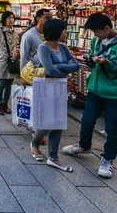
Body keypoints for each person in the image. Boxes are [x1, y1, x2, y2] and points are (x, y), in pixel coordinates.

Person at [62, 13, 117, 179]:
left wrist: (109, 63)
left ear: (107, 28)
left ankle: (107, 159)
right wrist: (89, 60)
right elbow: (93, 64)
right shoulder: (96, 41)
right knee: (87, 121)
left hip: (116, 94)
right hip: (95, 90)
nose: (95, 35)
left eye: (97, 31)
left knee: (112, 129)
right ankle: (84, 146)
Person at [31, 19, 79, 172]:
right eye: (64, 30)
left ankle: (53, 157)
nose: (65, 33)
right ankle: (35, 143)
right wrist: (65, 69)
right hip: (46, 87)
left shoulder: (63, 47)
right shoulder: (43, 48)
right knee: (46, 123)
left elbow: (76, 65)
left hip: (60, 87)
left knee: (58, 122)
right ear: (57, 31)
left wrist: (60, 67)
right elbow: (49, 70)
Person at [0, 12, 20, 115]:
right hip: (0, 60)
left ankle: (5, 104)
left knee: (9, 84)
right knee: (0, 83)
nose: (11, 20)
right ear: (4, 20)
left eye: (12, 18)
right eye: (8, 18)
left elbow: (15, 46)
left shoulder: (15, 33)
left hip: (11, 61)